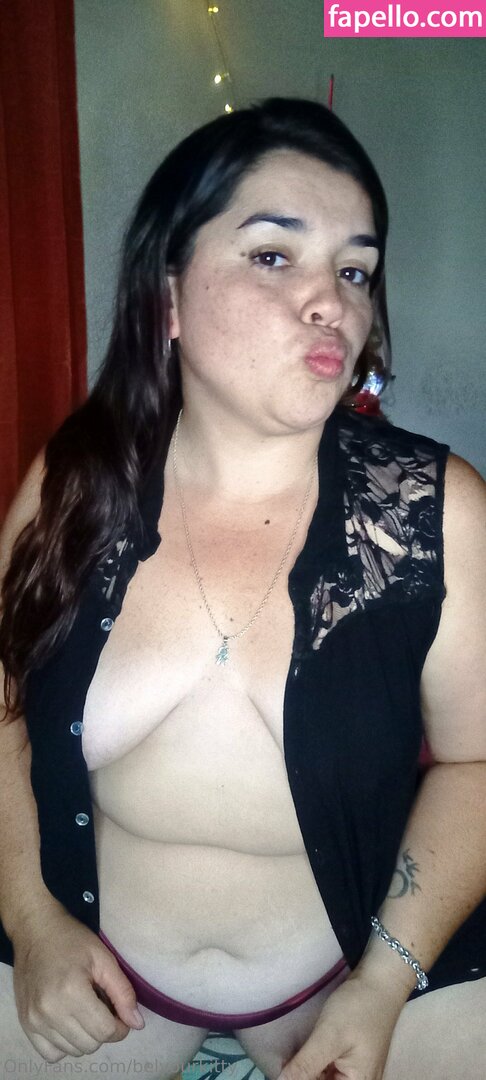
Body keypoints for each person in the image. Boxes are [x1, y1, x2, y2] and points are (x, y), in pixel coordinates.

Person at [0, 97, 485, 1080]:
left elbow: (479, 765)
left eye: (355, 270)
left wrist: (380, 984)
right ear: (167, 299)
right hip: (98, 969)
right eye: (274, 255)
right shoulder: (77, 481)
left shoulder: (435, 511)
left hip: (355, 963)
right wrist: (32, 920)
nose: (331, 301)